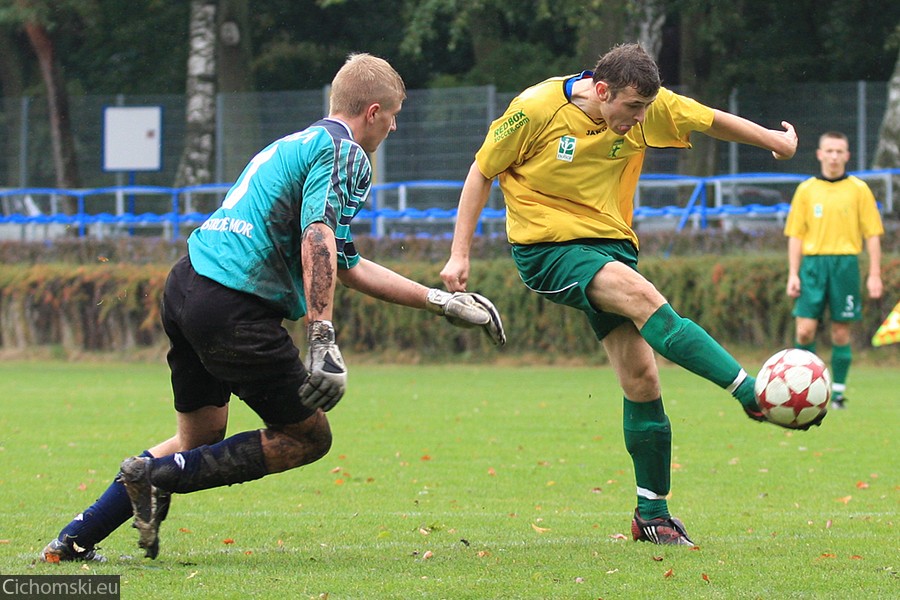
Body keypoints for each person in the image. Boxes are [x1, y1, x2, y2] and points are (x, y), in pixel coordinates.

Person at [41, 53, 505, 563]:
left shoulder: (297, 142)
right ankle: (151, 477)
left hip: (189, 284)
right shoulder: (347, 153)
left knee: (199, 439)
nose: (395, 126)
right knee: (307, 438)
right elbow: (318, 236)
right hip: (233, 305)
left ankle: (73, 541)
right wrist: (322, 336)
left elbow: (344, 260)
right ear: (372, 112)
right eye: (394, 114)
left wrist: (440, 301)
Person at [440, 43, 805, 547]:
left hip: (610, 244)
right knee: (643, 297)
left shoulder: (645, 108)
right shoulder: (535, 109)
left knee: (642, 378)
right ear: (602, 90)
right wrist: (460, 255)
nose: (639, 120)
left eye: (645, 110)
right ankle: (748, 392)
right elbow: (481, 171)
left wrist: (774, 142)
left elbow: (709, 120)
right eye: (631, 108)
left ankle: (651, 515)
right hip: (547, 248)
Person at [784, 131, 884, 410]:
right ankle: (803, 391)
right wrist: (794, 273)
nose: (834, 156)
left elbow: (872, 234)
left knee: (841, 333)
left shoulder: (859, 189)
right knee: (804, 331)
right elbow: (795, 235)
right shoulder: (806, 190)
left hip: (845, 265)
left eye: (839, 151)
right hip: (813, 266)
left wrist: (874, 273)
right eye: (829, 151)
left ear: (847, 155)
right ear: (819, 154)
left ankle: (837, 394)